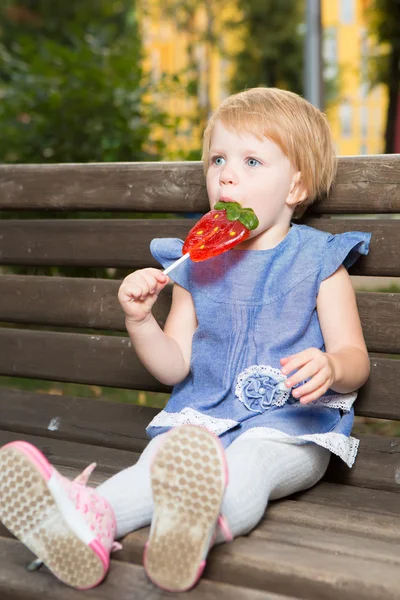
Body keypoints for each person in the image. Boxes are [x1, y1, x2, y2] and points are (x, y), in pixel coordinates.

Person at [0, 87, 371, 593]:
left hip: (289, 426)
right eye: (218, 159)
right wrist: (140, 321)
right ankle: (88, 521)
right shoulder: (196, 264)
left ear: (296, 186)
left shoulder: (319, 262)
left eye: (252, 160)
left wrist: (332, 366)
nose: (227, 174)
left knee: (251, 465)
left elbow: (355, 358)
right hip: (203, 421)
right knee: (159, 462)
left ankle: (195, 530)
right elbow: (175, 366)